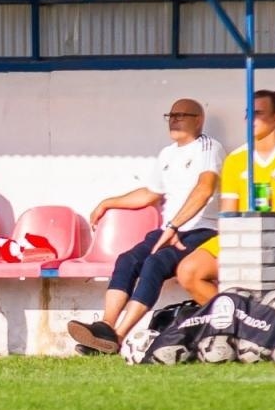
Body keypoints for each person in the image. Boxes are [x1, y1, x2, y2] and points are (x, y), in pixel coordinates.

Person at [68, 98, 221, 355]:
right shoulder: (167, 154)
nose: (174, 120)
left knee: (155, 264)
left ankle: (117, 336)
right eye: (171, 115)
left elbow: (204, 189)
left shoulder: (208, 147)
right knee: (127, 259)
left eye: (181, 115)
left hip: (200, 230)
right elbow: (151, 193)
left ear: (199, 120)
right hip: (168, 230)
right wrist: (108, 202)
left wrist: (175, 225)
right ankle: (105, 327)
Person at [176, 90, 275, 305]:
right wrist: (232, 249)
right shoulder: (236, 159)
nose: (251, 120)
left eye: (259, 113)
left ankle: (251, 320)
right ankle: (235, 320)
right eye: (248, 113)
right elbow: (229, 215)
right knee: (188, 271)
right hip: (239, 238)